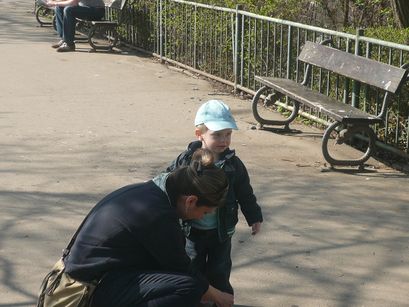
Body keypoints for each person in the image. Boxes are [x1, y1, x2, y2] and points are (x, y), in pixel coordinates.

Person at [60, 149, 234, 307]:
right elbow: (182, 268)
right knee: (189, 287)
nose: (201, 218)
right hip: (85, 291)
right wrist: (218, 296)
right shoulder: (158, 215)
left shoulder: (154, 191)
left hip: (100, 279)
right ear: (190, 201)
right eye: (204, 212)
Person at [166, 100, 263, 298]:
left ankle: (222, 299)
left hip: (221, 232)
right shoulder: (186, 161)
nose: (224, 140)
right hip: (191, 231)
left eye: (228, 134)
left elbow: (245, 192)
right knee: (193, 268)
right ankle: (194, 299)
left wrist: (254, 216)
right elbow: (168, 182)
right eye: (217, 135)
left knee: (219, 270)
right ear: (199, 134)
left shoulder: (234, 165)